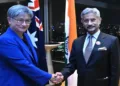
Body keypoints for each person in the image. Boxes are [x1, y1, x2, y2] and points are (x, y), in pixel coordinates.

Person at [54, 7, 120, 86]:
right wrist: (62, 74)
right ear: (82, 22)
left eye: (93, 20)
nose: (89, 23)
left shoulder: (112, 40)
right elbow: (72, 64)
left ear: (99, 20)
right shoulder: (77, 42)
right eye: (86, 20)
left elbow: (115, 70)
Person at [0, 4, 57, 86]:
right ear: (9, 20)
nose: (24, 24)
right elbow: (23, 64)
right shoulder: (5, 40)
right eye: (20, 20)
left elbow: (32, 61)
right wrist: (49, 76)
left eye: (27, 20)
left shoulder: (26, 36)